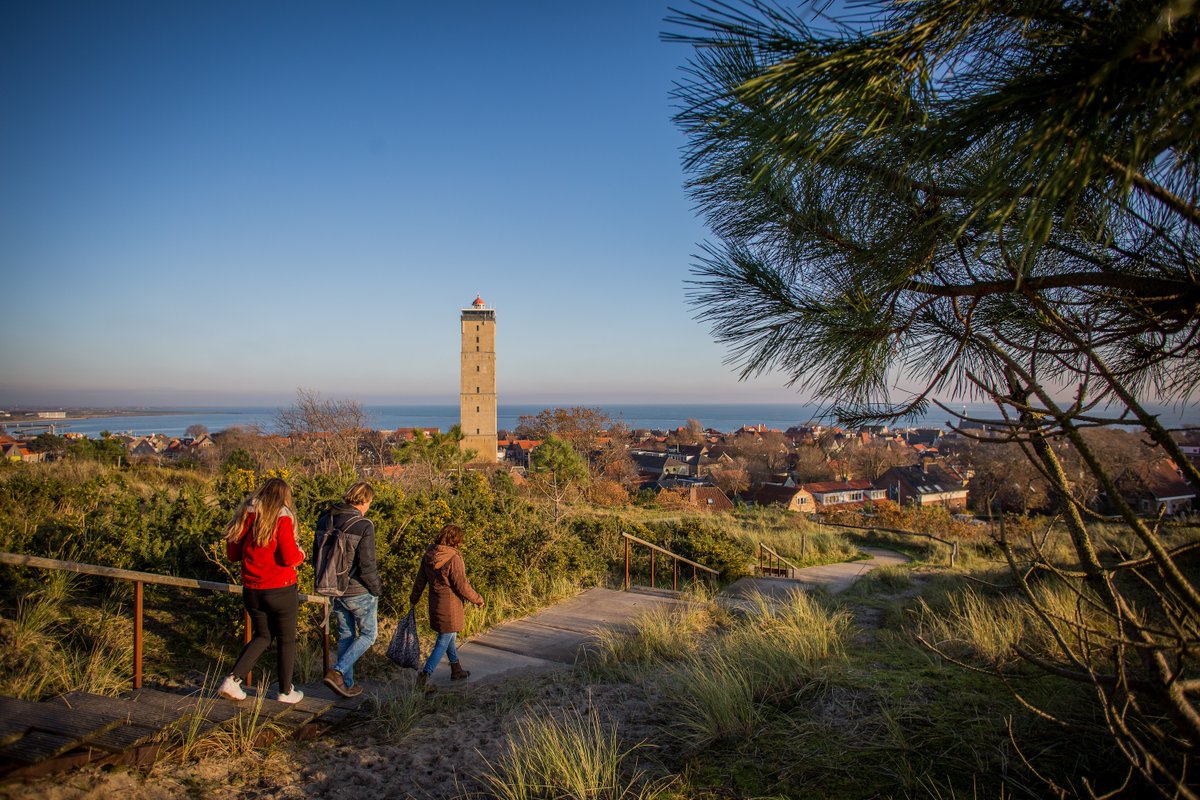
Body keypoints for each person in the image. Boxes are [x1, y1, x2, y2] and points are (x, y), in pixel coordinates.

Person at [218, 477, 306, 704]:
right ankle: (285, 691)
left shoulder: (246, 515)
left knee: (263, 636)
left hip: (252, 589)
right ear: (284, 496)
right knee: (286, 640)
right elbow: (289, 557)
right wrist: (301, 554)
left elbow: (233, 554)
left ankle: (232, 680)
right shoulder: (282, 516)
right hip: (281, 588)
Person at [314, 481, 380, 698]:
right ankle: (338, 672)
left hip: (333, 587)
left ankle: (346, 684)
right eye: (369, 502)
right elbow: (367, 565)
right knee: (369, 634)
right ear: (365, 500)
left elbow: (316, 556)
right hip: (358, 590)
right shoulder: (363, 525)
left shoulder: (325, 519)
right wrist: (376, 589)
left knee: (346, 635)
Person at [410, 523, 484, 691]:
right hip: (450, 605)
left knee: (450, 636)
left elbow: (420, 580)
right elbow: (462, 585)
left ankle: (456, 669)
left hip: (435, 603)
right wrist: (478, 599)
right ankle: (424, 676)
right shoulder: (453, 558)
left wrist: (413, 598)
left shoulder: (429, 555)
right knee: (443, 640)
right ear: (455, 540)